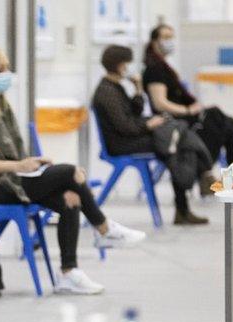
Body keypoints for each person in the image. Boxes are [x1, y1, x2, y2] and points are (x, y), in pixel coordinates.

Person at [0, 47, 146, 294]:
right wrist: (19, 166)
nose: (7, 74)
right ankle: (104, 228)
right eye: (0, 69)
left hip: (13, 178)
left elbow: (12, 155)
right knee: (69, 172)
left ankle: (69, 273)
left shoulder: (1, 108)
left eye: (7, 67)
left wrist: (32, 161)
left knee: (71, 197)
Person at [92, 45, 215, 225]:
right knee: (175, 139)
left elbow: (134, 111)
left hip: (131, 136)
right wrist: (149, 125)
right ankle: (200, 179)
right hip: (122, 144)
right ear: (120, 66)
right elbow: (125, 126)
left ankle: (194, 189)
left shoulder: (115, 87)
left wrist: (139, 89)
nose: (128, 67)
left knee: (176, 137)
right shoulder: (107, 91)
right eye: (127, 63)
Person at [143, 23, 233, 189]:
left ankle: (227, 175)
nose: (170, 41)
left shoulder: (164, 67)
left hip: (185, 117)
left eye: (171, 37)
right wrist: (188, 110)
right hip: (175, 122)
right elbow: (159, 103)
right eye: (166, 37)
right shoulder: (154, 70)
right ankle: (221, 174)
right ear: (155, 41)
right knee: (220, 119)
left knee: (232, 127)